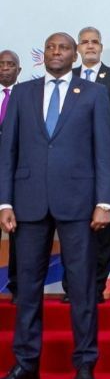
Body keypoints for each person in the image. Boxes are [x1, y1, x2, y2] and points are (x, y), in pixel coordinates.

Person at [0, 32, 110, 379]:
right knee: (28, 288)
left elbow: (102, 151)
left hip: (79, 204)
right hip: (29, 202)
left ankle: (84, 363)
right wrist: (5, 201)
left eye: (63, 47)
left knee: (81, 286)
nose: (56, 52)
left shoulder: (93, 94)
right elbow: (8, 153)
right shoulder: (22, 93)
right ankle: (26, 362)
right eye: (50, 47)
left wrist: (104, 202)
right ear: (42, 54)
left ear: (75, 53)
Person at [65, 27, 110, 304]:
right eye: (85, 42)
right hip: (70, 167)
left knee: (101, 228)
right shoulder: (68, 76)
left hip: (104, 165)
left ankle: (98, 286)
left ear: (101, 47)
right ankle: (71, 287)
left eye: (94, 42)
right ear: (78, 48)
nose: (90, 46)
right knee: (70, 227)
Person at [0, 50, 20, 300]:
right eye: (1, 64)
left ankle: (16, 286)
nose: (5, 68)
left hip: (15, 175)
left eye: (10, 64)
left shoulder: (26, 97)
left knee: (18, 233)